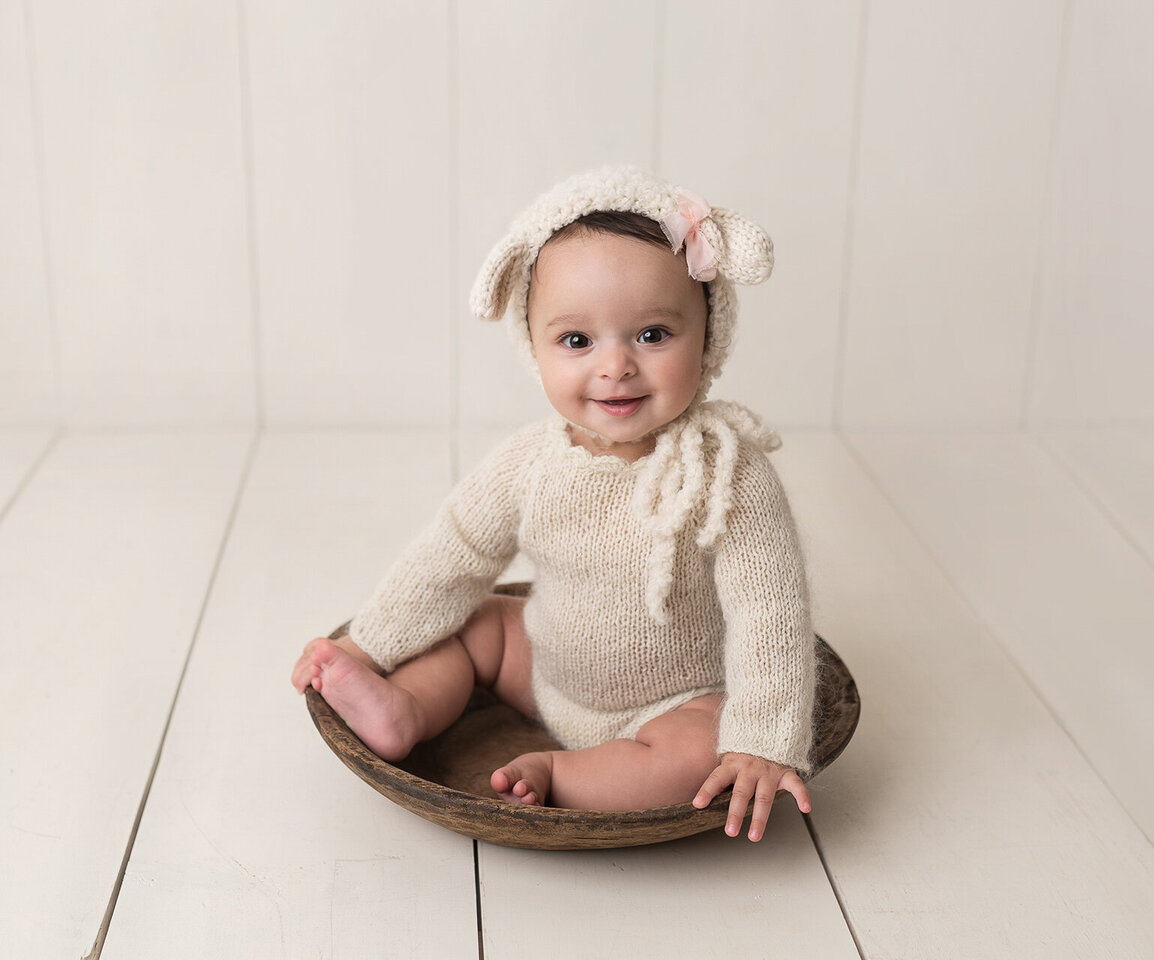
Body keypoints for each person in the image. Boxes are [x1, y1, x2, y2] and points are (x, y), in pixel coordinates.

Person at [292, 168, 816, 841]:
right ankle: (406, 711)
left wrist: (764, 738)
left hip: (677, 699)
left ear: (707, 335)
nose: (616, 366)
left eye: (653, 334)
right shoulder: (529, 464)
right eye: (577, 341)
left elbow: (769, 606)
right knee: (475, 622)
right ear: (534, 346)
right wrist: (368, 647)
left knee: (705, 749)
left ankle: (563, 774)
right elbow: (449, 556)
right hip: (544, 671)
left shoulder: (727, 471)